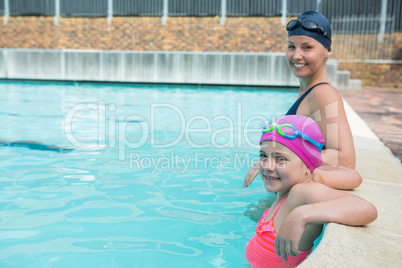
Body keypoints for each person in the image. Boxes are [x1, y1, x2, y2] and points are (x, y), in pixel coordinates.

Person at [244, 11, 358, 190]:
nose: (296, 55)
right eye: (291, 46)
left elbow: (345, 159)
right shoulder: (309, 90)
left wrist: (276, 160)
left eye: (307, 47)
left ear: (327, 51)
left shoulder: (323, 93)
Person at [245, 115, 377, 267]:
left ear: (308, 167)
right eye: (263, 156)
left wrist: (301, 215)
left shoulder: (301, 193)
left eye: (280, 158)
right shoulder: (287, 190)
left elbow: (367, 209)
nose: (267, 165)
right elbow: (352, 176)